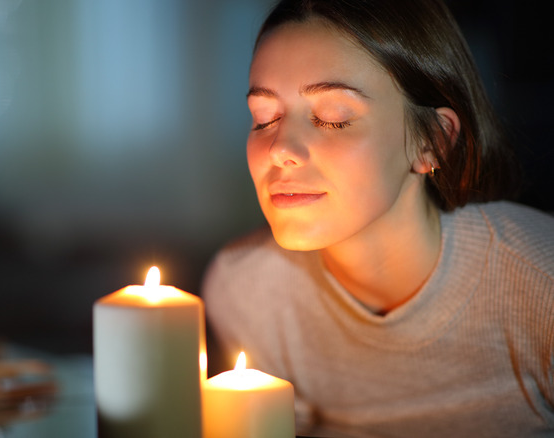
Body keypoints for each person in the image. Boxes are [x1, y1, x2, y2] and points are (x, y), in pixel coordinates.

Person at [201, 0, 554, 436]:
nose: (280, 149)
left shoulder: (540, 288)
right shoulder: (246, 291)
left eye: (332, 119)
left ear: (434, 142)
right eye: (264, 118)